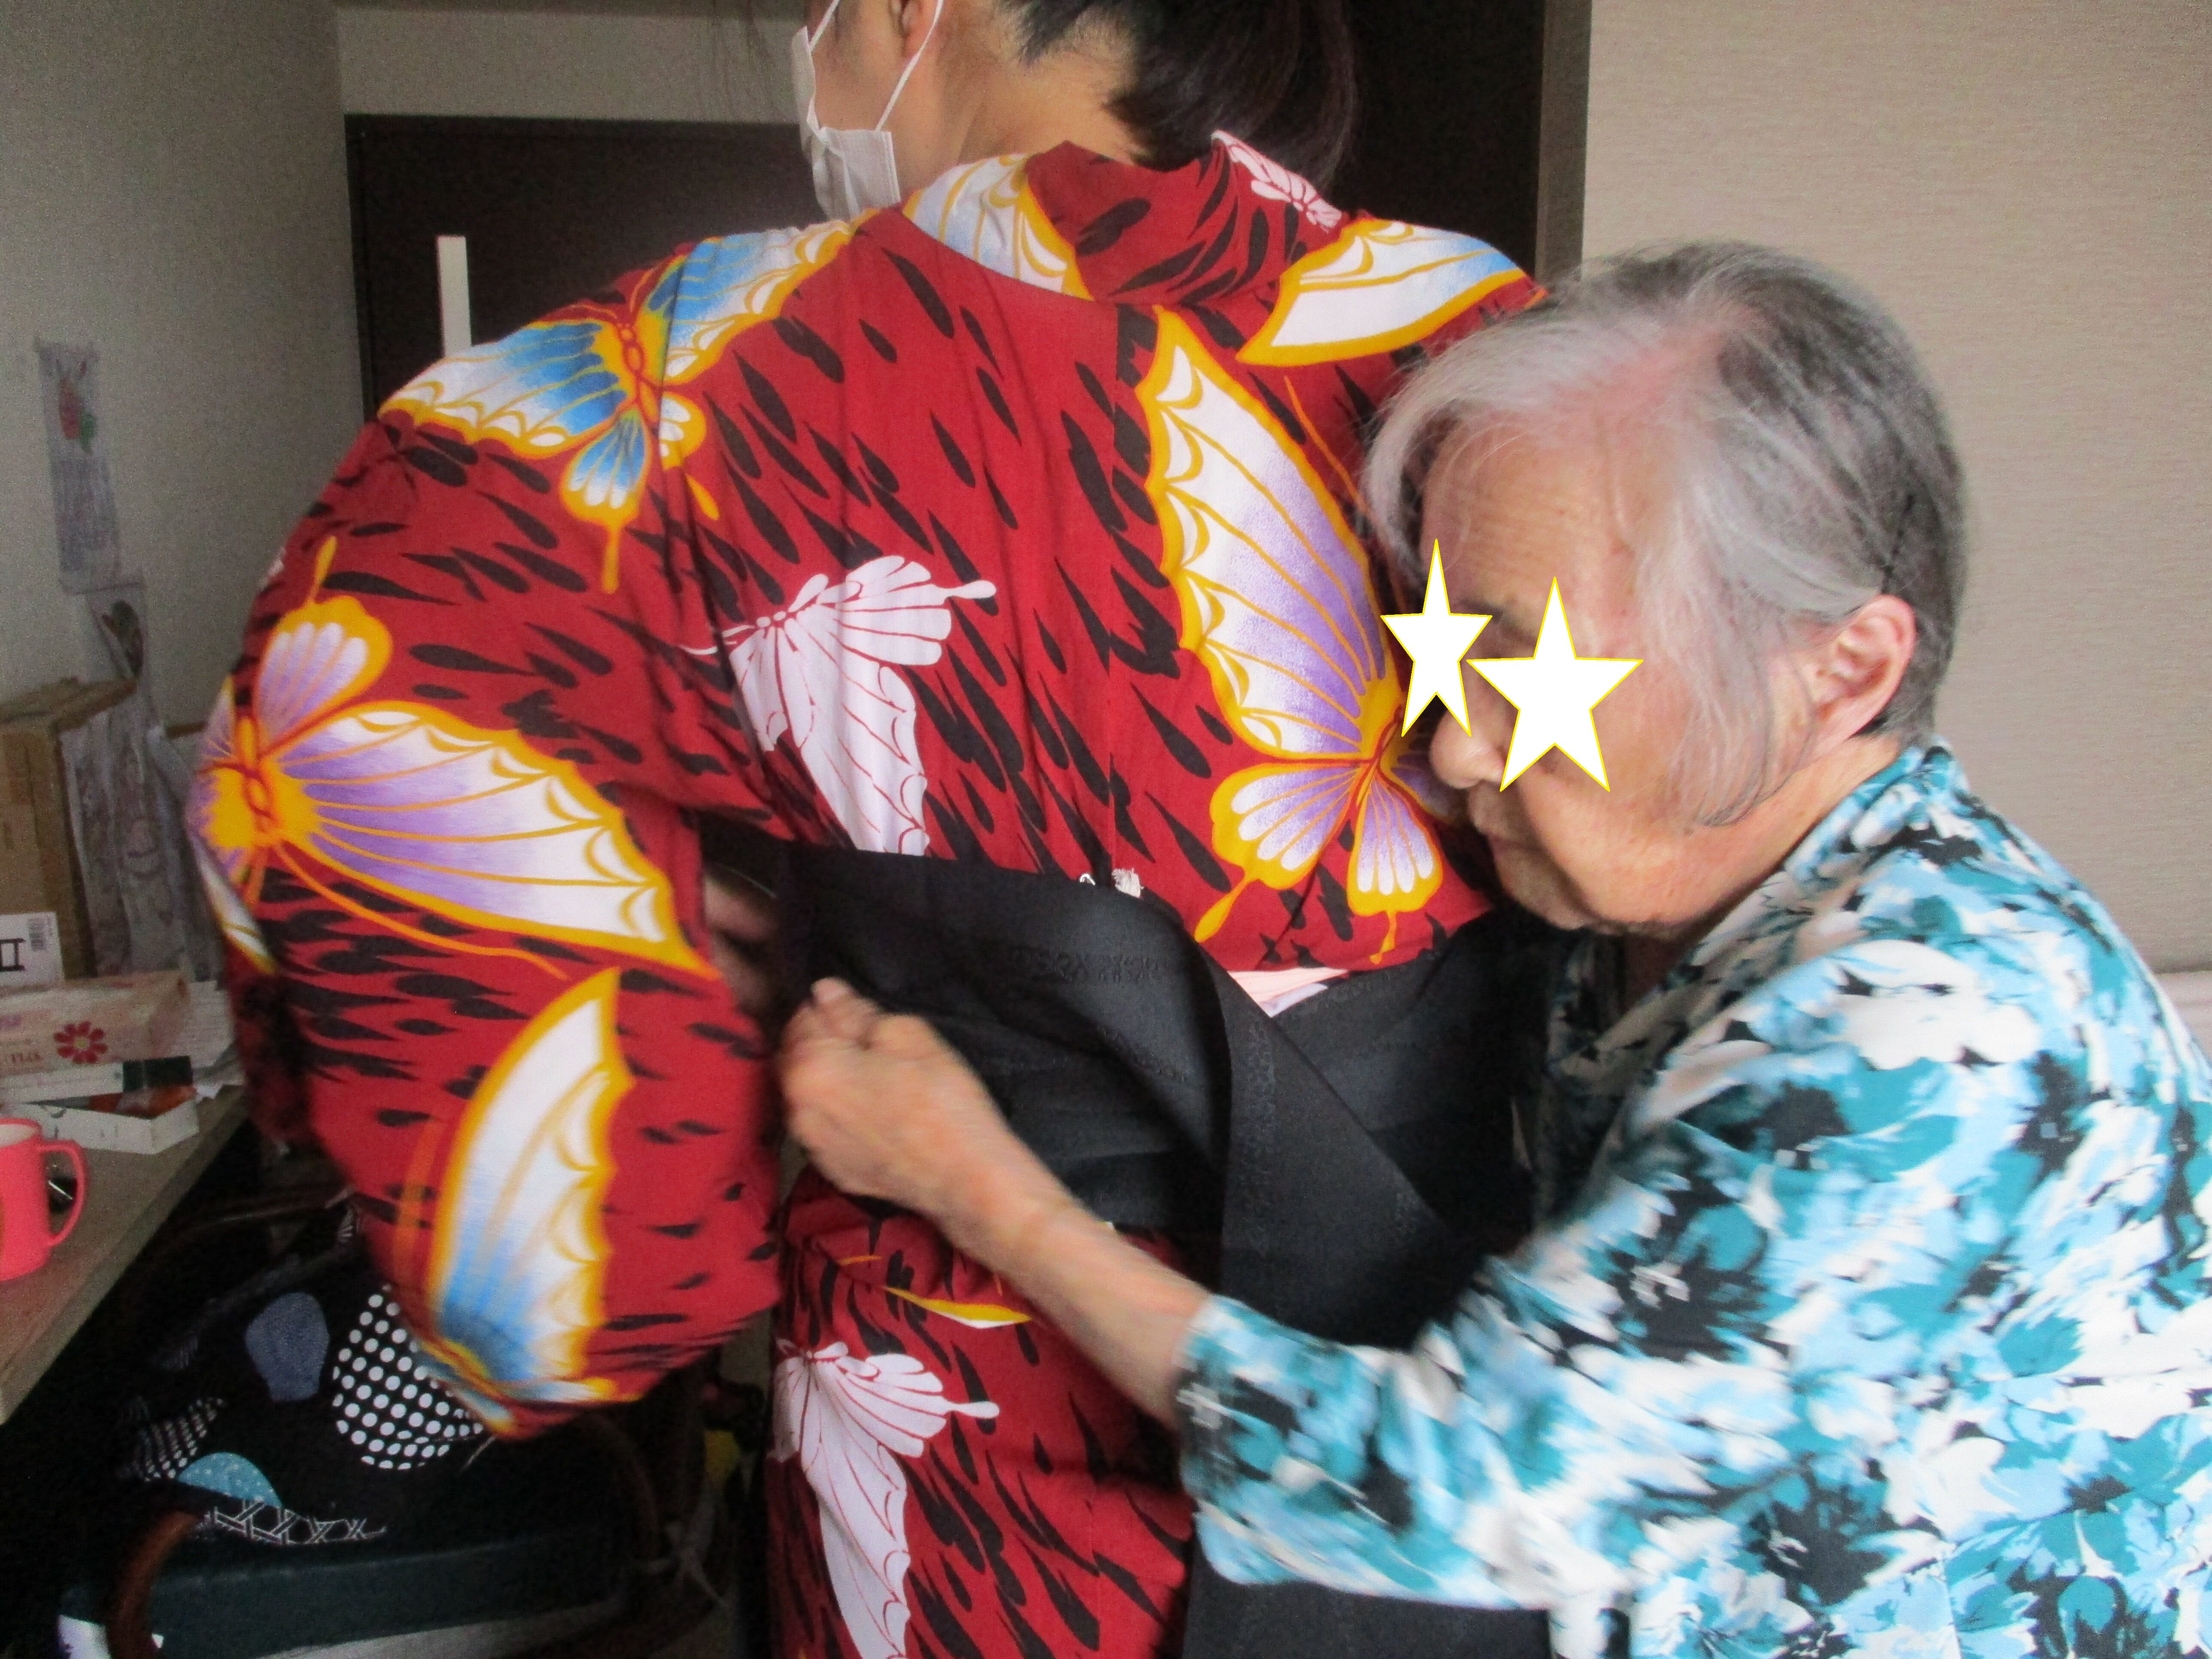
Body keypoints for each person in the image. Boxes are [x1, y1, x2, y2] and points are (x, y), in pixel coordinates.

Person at [189, 0, 1550, 1653]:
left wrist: (651, 1067)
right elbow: (1681, 817)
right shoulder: (1495, 344)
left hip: (966, 1416)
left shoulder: (706, 368)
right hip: (1452, 1397)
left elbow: (341, 704)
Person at [775, 242, 2212, 1657]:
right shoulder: (1650, 906)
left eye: (1526, 668)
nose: (1455, 748)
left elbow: (1463, 1490)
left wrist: (978, 1188)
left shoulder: (1944, 1030)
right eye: (1446, 651)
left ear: (1842, 673)